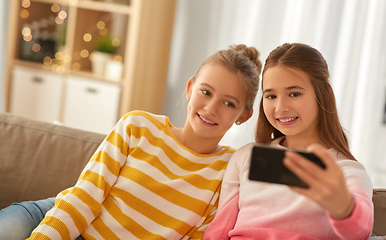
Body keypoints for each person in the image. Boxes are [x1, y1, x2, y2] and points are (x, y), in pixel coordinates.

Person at [0, 44, 262, 240]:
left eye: (229, 103)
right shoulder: (139, 126)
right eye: (206, 92)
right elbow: (85, 196)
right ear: (190, 88)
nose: (211, 108)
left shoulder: (229, 169)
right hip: (58, 216)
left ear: (244, 115)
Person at [203, 43, 374, 240]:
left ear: (324, 93)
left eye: (294, 94)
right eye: (271, 96)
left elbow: (360, 230)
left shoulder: (345, 171)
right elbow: (219, 230)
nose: (280, 107)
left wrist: (344, 207)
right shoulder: (246, 157)